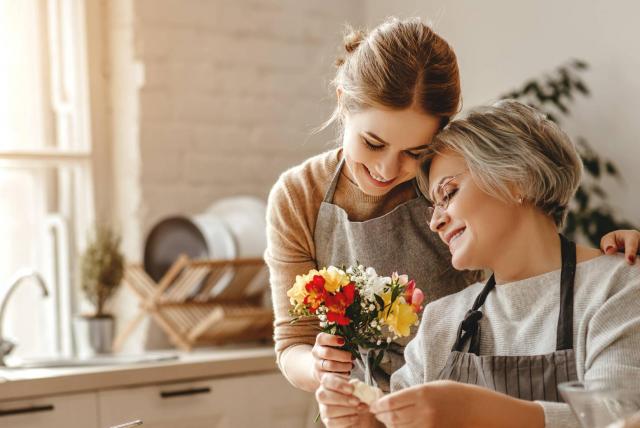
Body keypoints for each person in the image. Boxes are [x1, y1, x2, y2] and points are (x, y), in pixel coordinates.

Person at [265, 17, 640, 395]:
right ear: (344, 101)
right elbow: (293, 340)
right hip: (358, 402)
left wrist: (604, 260)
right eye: (373, 143)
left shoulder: (446, 177)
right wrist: (323, 369)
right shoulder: (299, 197)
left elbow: (527, 249)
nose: (386, 169)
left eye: (414, 152)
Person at [315, 100, 640, 428]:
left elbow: (618, 418)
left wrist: (478, 412)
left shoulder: (620, 287)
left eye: (449, 192)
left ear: (518, 180)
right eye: (433, 206)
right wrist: (367, 422)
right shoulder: (442, 321)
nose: (435, 222)